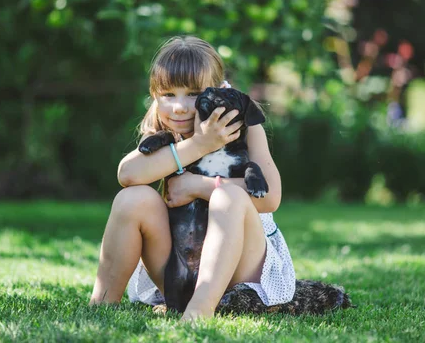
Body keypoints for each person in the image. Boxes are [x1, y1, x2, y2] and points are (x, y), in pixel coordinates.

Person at [89, 36, 295, 322]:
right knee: (132, 198)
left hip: (240, 273)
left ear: (218, 89)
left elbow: (270, 198)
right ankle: (102, 304)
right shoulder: (167, 126)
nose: (180, 107)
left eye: (193, 94)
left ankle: (200, 310)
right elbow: (128, 175)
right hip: (179, 269)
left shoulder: (242, 122)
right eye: (168, 95)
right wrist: (199, 144)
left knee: (229, 196)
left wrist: (198, 186)